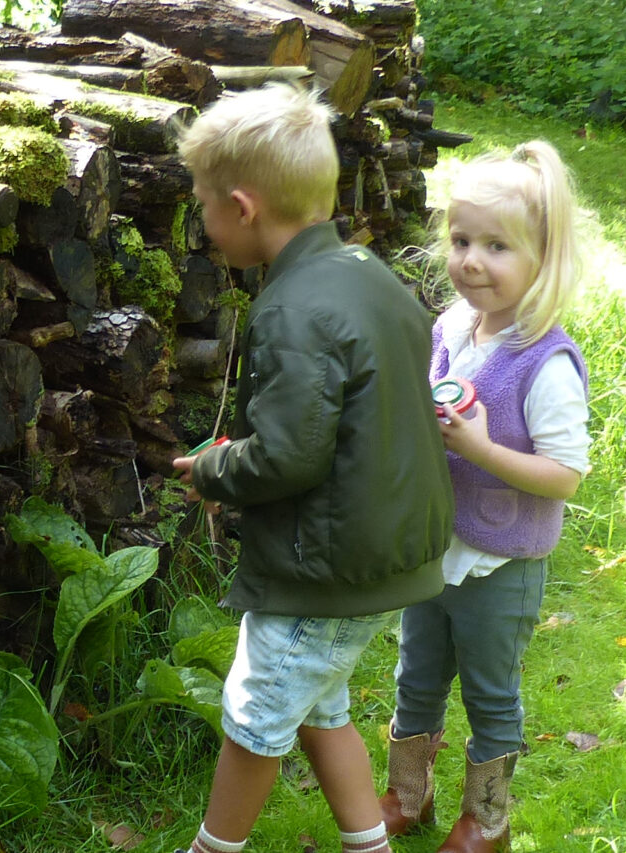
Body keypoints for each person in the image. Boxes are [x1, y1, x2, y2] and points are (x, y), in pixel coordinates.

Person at [170, 83, 455, 853]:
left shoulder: (292, 310)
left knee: (258, 712)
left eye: (203, 205)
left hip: (326, 562)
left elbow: (291, 456)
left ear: (242, 205)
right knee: (322, 706)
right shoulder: (368, 274)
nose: (202, 223)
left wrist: (216, 469)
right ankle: (369, 844)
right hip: (381, 550)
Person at [379, 141, 596, 853]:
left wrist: (480, 450)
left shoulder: (546, 361)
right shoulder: (449, 329)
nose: (472, 259)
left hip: (501, 562)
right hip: (434, 545)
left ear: (543, 259)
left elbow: (565, 473)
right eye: (461, 239)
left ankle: (488, 819)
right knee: (417, 674)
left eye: (497, 246)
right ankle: (409, 791)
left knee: (491, 692)